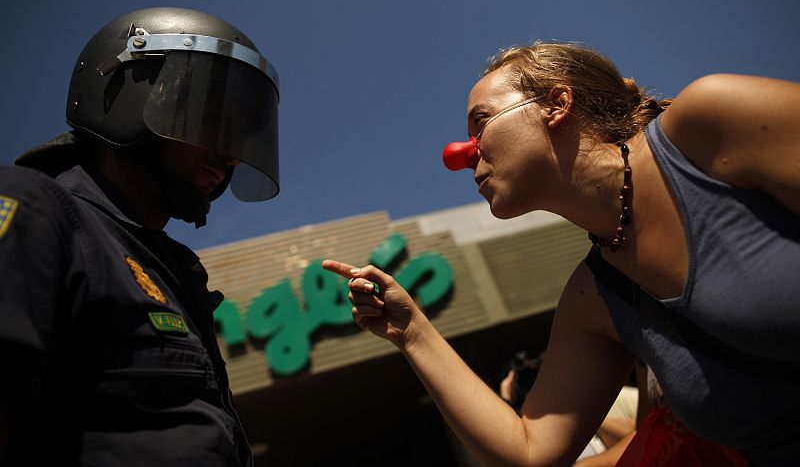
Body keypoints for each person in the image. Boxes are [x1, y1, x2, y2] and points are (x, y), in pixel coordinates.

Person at [322, 41, 800, 466]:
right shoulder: (592, 298)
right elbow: (531, 452)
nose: (462, 154)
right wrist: (413, 333)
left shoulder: (709, 124)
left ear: (557, 103)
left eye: (481, 122)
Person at [0, 7, 281, 466]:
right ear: (135, 95)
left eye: (241, 138)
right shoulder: (36, 210)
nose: (231, 155)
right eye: (213, 120)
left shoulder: (173, 271)